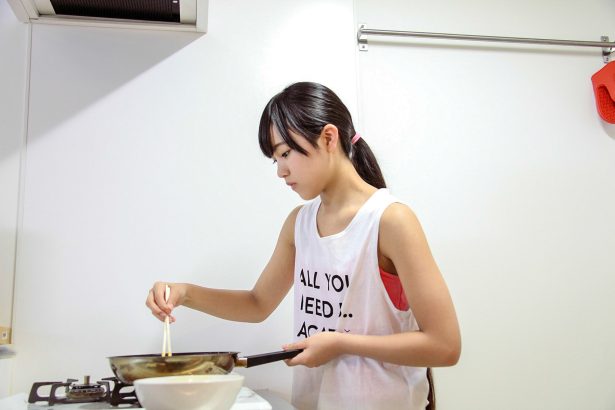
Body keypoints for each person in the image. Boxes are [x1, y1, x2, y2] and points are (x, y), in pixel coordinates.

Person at [146, 82, 461, 410]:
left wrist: (341, 343)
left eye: (285, 153)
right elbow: (257, 303)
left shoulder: (390, 220)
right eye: (275, 160)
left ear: (328, 138)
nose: (281, 171)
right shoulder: (299, 223)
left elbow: (445, 345)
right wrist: (184, 293)